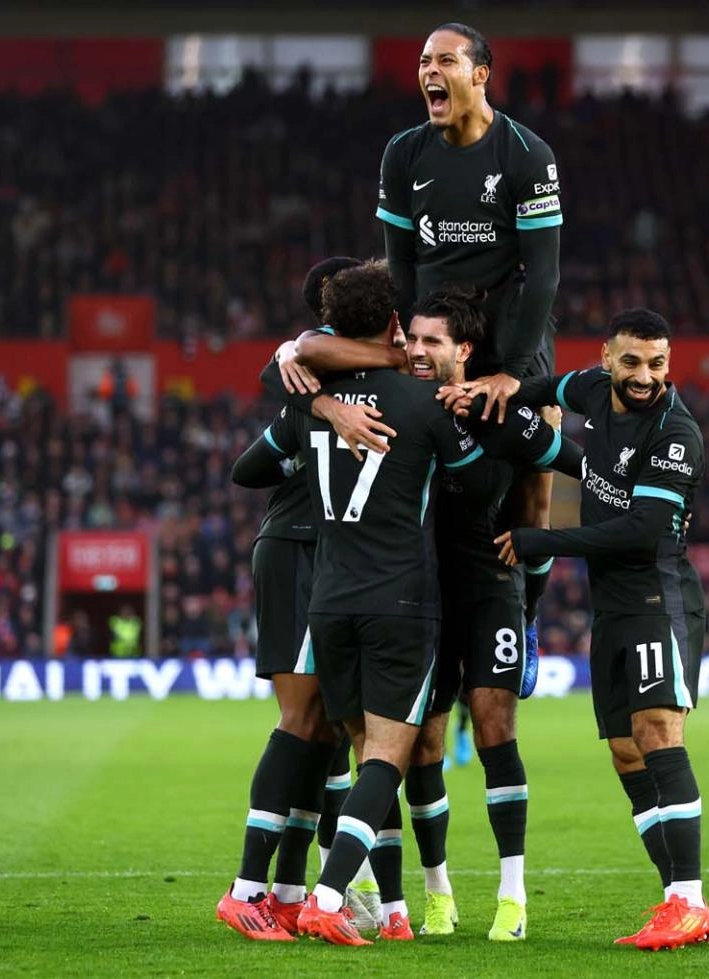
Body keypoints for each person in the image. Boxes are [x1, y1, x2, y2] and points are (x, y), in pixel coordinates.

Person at [281, 289, 583, 942]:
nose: (416, 351)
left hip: (487, 585)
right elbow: (297, 359)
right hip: (417, 593)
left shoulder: (502, 406)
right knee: (420, 744)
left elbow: (555, 482)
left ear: (463, 351)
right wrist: (318, 397)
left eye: (431, 343)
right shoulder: (402, 398)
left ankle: (512, 893)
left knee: (497, 726)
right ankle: (435, 891)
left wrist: (534, 590)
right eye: (410, 339)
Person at [255, 262, 497, 948]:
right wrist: (467, 416)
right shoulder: (422, 402)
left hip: (328, 601)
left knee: (365, 757)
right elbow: (479, 491)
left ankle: (389, 908)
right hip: (400, 601)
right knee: (388, 761)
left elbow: (276, 398)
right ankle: (329, 898)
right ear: (394, 323)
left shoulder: (311, 394)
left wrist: (313, 393)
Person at [473, 308, 709, 952]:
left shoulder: (676, 432)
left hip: (657, 596)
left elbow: (641, 529)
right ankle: (678, 898)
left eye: (658, 363)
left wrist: (541, 540)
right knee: (624, 749)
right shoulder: (586, 388)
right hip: (611, 606)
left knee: (658, 732)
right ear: (607, 358)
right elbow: (539, 388)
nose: (645, 376)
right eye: (632, 361)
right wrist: (497, 386)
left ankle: (687, 899)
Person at [215, 256, 387, 942]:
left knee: (322, 728)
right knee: (301, 716)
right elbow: (248, 464)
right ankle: (248, 888)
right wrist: (312, 423)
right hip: (298, 549)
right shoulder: (315, 372)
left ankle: (287, 890)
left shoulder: (366, 373)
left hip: (331, 558)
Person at [377, 22, 564, 640]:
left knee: (534, 488)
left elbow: (543, 273)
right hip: (435, 339)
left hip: (511, 336)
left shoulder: (526, 154)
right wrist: (407, 343)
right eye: (423, 61)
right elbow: (400, 264)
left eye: (445, 61)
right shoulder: (403, 154)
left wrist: (511, 368)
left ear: (480, 74)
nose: (429, 71)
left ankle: (528, 614)